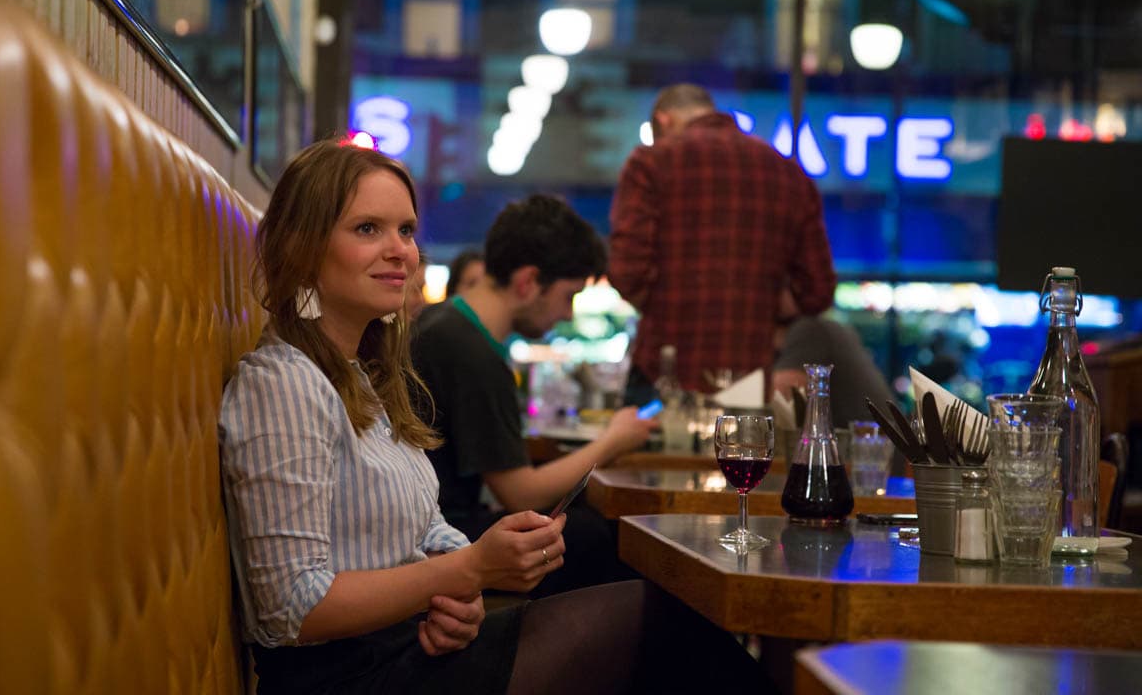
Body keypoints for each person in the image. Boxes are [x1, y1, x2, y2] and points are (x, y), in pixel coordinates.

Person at [218, 140, 772, 694]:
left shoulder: (360, 375)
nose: (400, 252)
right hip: (350, 677)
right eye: (368, 229)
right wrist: (470, 570)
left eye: (406, 231)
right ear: (302, 245)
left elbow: (423, 526)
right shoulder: (283, 382)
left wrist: (462, 592)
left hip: (407, 644)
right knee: (667, 626)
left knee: (671, 622)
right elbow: (289, 607)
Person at [412, 194, 657, 596]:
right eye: (568, 296)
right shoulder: (472, 352)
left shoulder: (445, 324)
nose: (567, 314)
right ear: (527, 282)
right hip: (439, 542)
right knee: (607, 539)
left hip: (433, 529)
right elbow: (519, 492)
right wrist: (614, 439)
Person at [609, 83, 837, 406]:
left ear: (664, 121)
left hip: (664, 373)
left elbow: (625, 270)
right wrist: (768, 307)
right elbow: (818, 290)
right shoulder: (790, 174)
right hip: (751, 382)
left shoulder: (650, 162)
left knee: (645, 456)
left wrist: (669, 307)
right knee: (741, 457)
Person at [771, 291, 894, 428]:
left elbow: (779, 402)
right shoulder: (826, 327)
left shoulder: (811, 330)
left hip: (870, 445)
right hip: (866, 442)